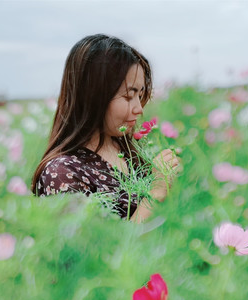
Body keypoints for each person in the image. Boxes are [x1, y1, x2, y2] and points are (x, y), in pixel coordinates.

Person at [31, 34, 180, 222]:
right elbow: (99, 249)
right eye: (128, 96)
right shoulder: (61, 173)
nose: (139, 109)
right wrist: (156, 192)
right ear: (93, 96)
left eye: (140, 95)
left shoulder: (127, 148)